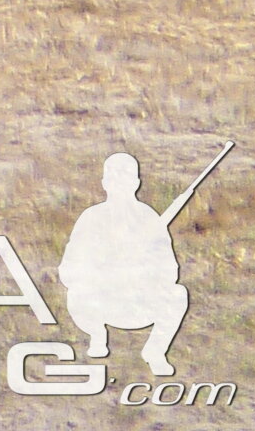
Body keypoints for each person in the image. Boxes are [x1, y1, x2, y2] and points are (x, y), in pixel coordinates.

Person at [60, 153, 189, 375]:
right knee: (76, 294)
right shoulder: (91, 218)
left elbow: (169, 269)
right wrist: (101, 272)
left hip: (138, 302)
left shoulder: (149, 218)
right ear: (104, 183)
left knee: (178, 294)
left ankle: (155, 352)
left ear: (136, 183)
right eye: (114, 179)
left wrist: (140, 272)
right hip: (99, 301)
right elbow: (69, 268)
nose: (119, 185)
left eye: (126, 179)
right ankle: (97, 335)